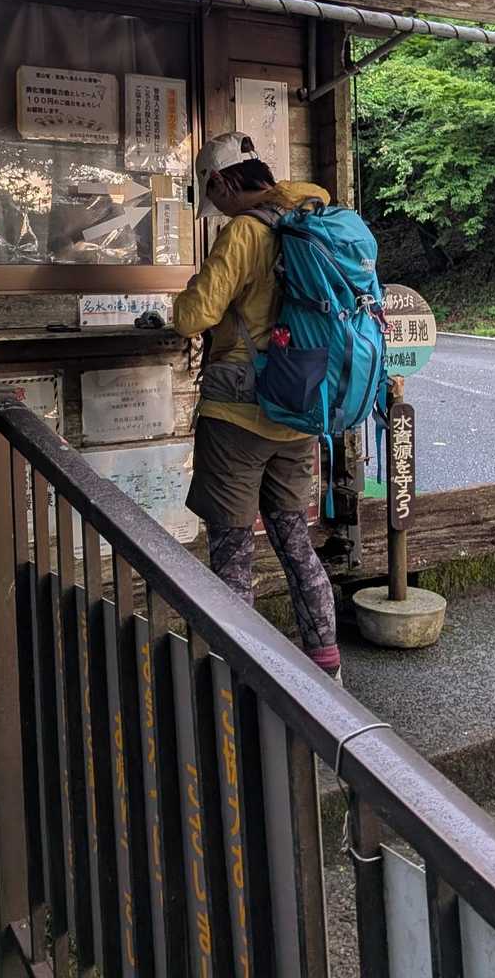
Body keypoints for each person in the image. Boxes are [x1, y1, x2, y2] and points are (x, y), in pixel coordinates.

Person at [173, 132, 341, 681]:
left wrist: (188, 292)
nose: (216, 208)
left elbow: (194, 316)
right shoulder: (311, 214)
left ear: (223, 182)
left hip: (238, 418)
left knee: (232, 552)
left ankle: (236, 683)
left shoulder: (244, 231)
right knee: (295, 542)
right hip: (298, 409)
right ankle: (326, 666)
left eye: (212, 195)